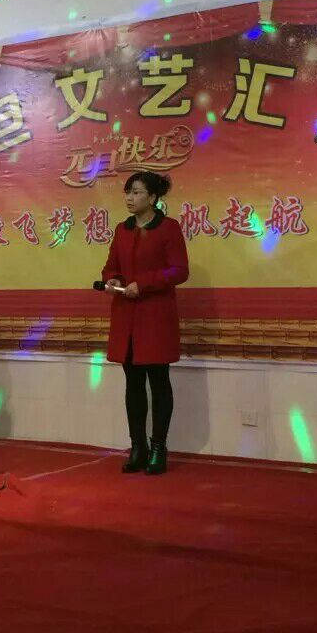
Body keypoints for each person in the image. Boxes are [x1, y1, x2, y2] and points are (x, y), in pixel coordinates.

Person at [100, 172, 188, 475]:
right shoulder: (122, 230)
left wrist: (145, 283)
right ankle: (138, 446)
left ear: (152, 198)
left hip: (155, 316)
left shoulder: (168, 228)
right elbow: (110, 267)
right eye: (128, 192)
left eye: (137, 192)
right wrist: (113, 280)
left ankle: (159, 447)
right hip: (126, 317)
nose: (129, 198)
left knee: (159, 382)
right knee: (133, 384)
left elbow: (179, 271)